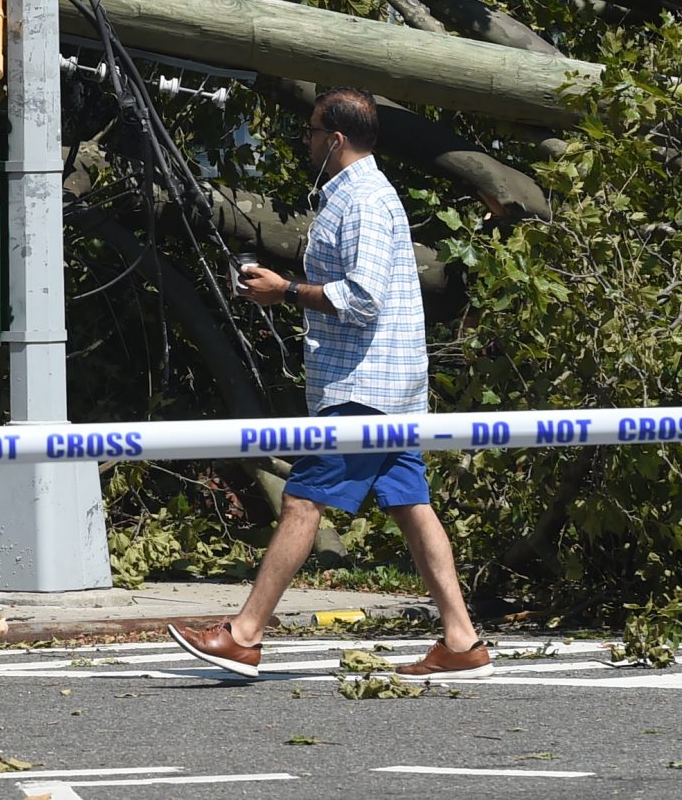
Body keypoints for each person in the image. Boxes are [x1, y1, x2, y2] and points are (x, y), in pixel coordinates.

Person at [166, 87, 491, 681]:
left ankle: (244, 636)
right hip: (385, 385)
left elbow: (362, 299)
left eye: (312, 133)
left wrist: (283, 290)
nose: (307, 142)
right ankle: (462, 640)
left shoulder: (362, 199)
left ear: (335, 139)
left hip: (362, 388)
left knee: (301, 500)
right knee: (412, 505)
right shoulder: (362, 193)